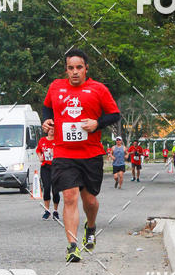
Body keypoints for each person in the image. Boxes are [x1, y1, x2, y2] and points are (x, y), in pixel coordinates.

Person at [42, 48, 120, 263]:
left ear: (86, 68)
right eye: (70, 68)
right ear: (66, 70)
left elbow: (114, 114)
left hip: (91, 153)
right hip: (64, 153)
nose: (74, 72)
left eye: (79, 67)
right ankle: (72, 246)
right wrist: (47, 121)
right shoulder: (56, 87)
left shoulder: (98, 89)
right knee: (69, 196)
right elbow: (47, 108)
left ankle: (91, 226)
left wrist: (97, 123)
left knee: (90, 201)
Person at [36, 126, 60, 220]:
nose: (51, 131)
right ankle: (47, 210)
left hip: (55, 167)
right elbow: (38, 150)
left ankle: (55, 211)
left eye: (53, 129)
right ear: (47, 130)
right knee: (46, 188)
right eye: (50, 129)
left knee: (55, 190)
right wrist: (40, 156)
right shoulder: (42, 140)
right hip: (45, 167)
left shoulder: (58, 141)